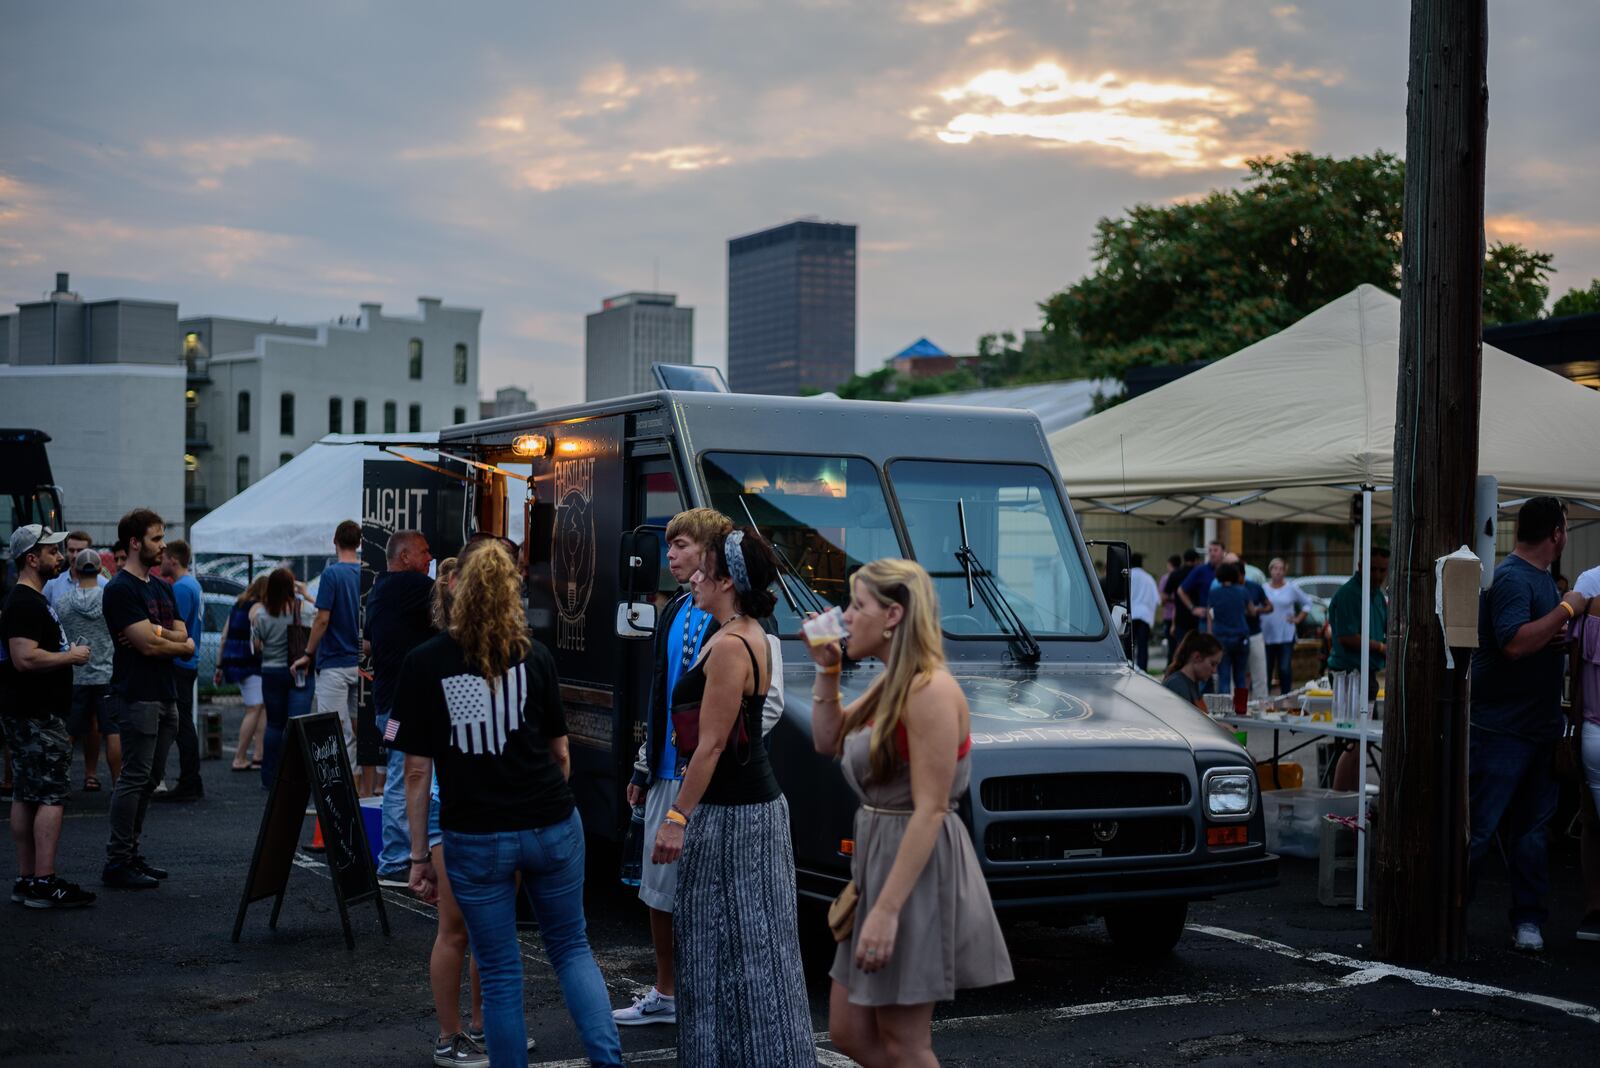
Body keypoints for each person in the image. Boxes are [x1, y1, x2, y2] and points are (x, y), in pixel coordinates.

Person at [396, 542, 621, 1067]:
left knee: (498, 969)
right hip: (551, 822)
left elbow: (415, 771)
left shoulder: (426, 662)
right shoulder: (536, 656)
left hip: (475, 834)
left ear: (458, 590)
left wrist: (417, 856)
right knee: (571, 949)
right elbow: (560, 753)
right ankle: (610, 1062)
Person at [806, 557, 1012, 1067]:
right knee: (849, 1029)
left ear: (893, 616)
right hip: (879, 862)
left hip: (912, 871)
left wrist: (887, 911)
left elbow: (932, 809)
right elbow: (827, 739)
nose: (846, 616)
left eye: (858, 605)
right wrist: (828, 671)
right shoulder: (892, 682)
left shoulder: (929, 691)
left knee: (904, 1042)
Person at [646, 528, 812, 1066]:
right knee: (746, 944)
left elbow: (712, 745)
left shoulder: (732, 646)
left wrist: (675, 817)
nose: (692, 577)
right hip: (747, 808)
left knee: (733, 947)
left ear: (726, 581)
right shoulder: (747, 633)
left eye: (702, 570)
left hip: (734, 815)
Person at [615, 507, 731, 1027]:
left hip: (713, 780)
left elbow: (757, 709)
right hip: (665, 772)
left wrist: (720, 755)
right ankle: (666, 993)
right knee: (658, 892)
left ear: (708, 552)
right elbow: (660, 697)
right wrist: (643, 767)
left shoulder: (735, 616)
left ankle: (709, 996)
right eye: (668, 546)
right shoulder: (673, 610)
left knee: (711, 897)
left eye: (680, 545)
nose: (670, 555)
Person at [1469, 497, 1587, 953]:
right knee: (1481, 830)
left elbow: (1525, 638)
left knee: (1532, 834)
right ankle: (1448, 914)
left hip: (1533, 728)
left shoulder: (1530, 578)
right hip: (1502, 730)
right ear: (1556, 534)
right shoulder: (1515, 577)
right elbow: (1515, 644)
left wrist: (1553, 635)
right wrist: (1567, 610)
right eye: (1566, 530)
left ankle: (1528, 920)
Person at [1, 524, 96, 908]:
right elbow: (24, 658)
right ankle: (44, 881)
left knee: (27, 793)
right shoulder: (24, 602)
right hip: (37, 716)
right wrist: (70, 656)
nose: (60, 557)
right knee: (51, 795)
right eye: (52, 551)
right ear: (31, 558)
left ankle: (28, 880)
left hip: (28, 713)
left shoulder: (27, 600)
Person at [100, 508, 191, 890]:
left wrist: (157, 633)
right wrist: (166, 639)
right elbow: (150, 648)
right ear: (135, 543)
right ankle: (118, 860)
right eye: (156, 538)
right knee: (134, 779)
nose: (163, 544)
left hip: (165, 696)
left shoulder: (162, 587)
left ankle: (131, 854)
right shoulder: (120, 589)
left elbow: (186, 642)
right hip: (137, 695)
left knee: (151, 779)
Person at [366, 529, 435, 885]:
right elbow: (453, 600)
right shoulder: (410, 587)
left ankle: (406, 856)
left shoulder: (380, 590)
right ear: (405, 556)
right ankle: (394, 861)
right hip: (399, 707)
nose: (430, 558)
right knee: (401, 777)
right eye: (424, 552)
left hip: (389, 704)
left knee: (406, 775)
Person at [293, 519, 363, 758]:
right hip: (360, 661)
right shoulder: (365, 573)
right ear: (359, 542)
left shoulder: (332, 574)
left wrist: (308, 653)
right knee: (357, 729)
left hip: (334, 663)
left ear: (335, 541)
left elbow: (322, 618)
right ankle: (360, 788)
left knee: (333, 732)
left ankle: (338, 788)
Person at [1326, 547, 1389, 789]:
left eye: (1382, 569)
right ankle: (1341, 796)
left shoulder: (1376, 595)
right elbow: (1346, 636)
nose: (1378, 574)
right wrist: (1381, 648)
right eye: (1373, 568)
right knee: (1354, 742)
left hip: (1367, 673)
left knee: (1361, 742)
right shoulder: (1350, 594)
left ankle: (1351, 794)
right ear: (1361, 566)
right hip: (1348, 675)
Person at [58, 548, 120, 791]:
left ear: (75, 569)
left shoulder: (63, 603)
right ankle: (118, 784)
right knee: (112, 731)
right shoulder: (110, 599)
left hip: (75, 676)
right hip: (106, 674)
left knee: (68, 733)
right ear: (99, 569)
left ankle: (58, 781)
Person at [253, 568, 316, 789]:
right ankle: (296, 778)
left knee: (274, 725)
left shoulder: (262, 614)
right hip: (299, 671)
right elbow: (320, 622)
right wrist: (306, 593)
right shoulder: (305, 609)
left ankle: (269, 778)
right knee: (296, 727)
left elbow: (257, 645)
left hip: (271, 672)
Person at [155, 539, 205, 803]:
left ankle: (190, 781)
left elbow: (178, 631)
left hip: (181, 663)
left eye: (164, 557)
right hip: (188, 662)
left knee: (181, 724)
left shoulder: (182, 588)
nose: (160, 561)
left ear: (173, 560)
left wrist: (154, 632)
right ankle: (191, 780)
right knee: (183, 722)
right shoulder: (192, 584)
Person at [1568, 561, 1600, 943]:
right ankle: (1595, 904)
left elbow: (1574, 665)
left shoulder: (1588, 588)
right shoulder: (1589, 582)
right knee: (1591, 820)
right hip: (1591, 722)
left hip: (1591, 722)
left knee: (1593, 819)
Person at [217, 575, 268, 771]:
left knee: (261, 706)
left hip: (234, 661)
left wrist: (219, 665)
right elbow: (257, 638)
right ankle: (239, 757)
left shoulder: (238, 604)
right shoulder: (257, 607)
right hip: (250, 662)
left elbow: (223, 636)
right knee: (254, 708)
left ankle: (258, 755)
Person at [1261, 559, 1310, 695]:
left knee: (1284, 667)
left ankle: (1286, 695)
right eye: (1275, 569)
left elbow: (1307, 603)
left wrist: (1298, 619)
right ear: (1270, 571)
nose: (1278, 572)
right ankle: (1266, 696)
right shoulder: (1263, 588)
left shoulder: (1291, 588)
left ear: (1285, 571)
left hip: (1285, 633)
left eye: (1281, 569)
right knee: (1267, 667)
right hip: (1267, 634)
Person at [1206, 563, 1252, 698]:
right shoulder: (1242, 591)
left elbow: (1209, 613)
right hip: (1240, 637)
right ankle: (1241, 710)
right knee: (1240, 677)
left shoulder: (1214, 592)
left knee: (1224, 676)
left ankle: (1224, 710)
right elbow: (1252, 611)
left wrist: (1210, 634)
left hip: (1221, 637)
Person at [1162, 632, 1224, 711]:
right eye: (1212, 664)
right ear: (1197, 657)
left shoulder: (1192, 683)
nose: (1214, 671)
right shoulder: (1178, 686)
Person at [42, 531, 101, 610]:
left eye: (80, 551)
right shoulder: (52, 585)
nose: (75, 555)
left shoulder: (103, 584)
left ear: (89, 552)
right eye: (71, 550)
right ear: (66, 551)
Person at [1177, 540, 1225, 634]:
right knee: (1207, 647)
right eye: (1210, 550)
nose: (1212, 553)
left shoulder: (1229, 569)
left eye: (1215, 550)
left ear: (1223, 552)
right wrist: (1193, 608)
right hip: (1206, 619)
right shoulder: (1201, 570)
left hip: (1225, 618)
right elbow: (1181, 590)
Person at [1128, 553, 1160, 673]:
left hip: (1130, 615)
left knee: (1129, 645)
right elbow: (1156, 599)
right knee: (1143, 646)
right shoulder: (1148, 578)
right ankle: (1143, 670)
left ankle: (1129, 668)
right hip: (1144, 616)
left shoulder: (1127, 576)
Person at [1158, 553, 1182, 660]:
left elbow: (1162, 598)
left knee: (1171, 644)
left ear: (1170, 564)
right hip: (1181, 615)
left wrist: (1168, 600)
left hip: (1168, 614)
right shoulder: (1184, 575)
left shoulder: (1165, 578)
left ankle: (1170, 664)